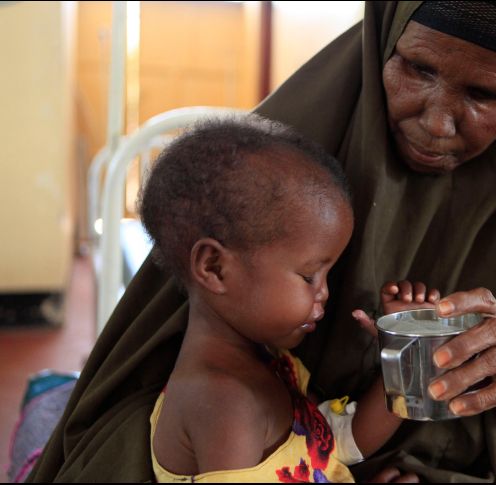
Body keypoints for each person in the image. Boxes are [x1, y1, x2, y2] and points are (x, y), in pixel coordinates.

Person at [28, 2, 496, 482]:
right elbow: (136, 410)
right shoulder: (274, 186)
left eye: (486, 94)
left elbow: (340, 436)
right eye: (417, 68)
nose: (437, 120)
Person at [137, 115, 437, 482]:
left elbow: (332, 446)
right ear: (214, 267)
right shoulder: (224, 403)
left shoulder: (271, 363)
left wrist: (408, 357)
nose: (325, 293)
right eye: (310, 276)